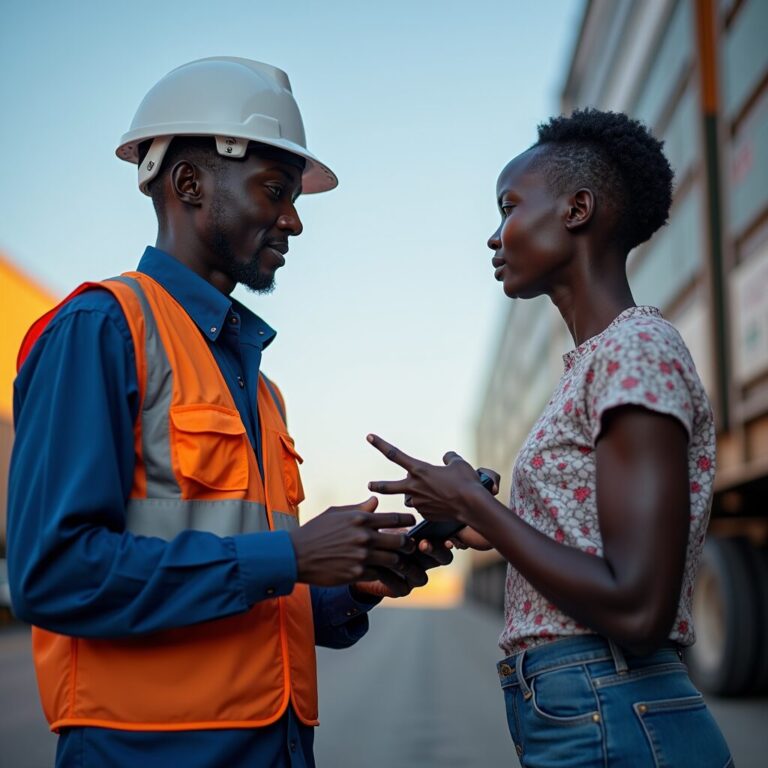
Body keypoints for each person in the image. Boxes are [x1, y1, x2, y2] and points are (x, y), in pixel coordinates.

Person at [8, 57, 448, 768]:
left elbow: (258, 600)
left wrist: (351, 586)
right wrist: (292, 554)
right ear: (189, 186)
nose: (294, 221)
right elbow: (53, 573)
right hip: (143, 753)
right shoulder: (103, 329)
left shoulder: (258, 387)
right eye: (276, 190)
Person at [366, 109, 733, 767]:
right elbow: (594, 550)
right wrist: (477, 519)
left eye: (507, 207)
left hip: (613, 704)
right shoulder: (597, 363)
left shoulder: (635, 350)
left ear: (577, 209)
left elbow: (639, 607)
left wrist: (477, 506)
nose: (493, 237)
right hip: (596, 705)